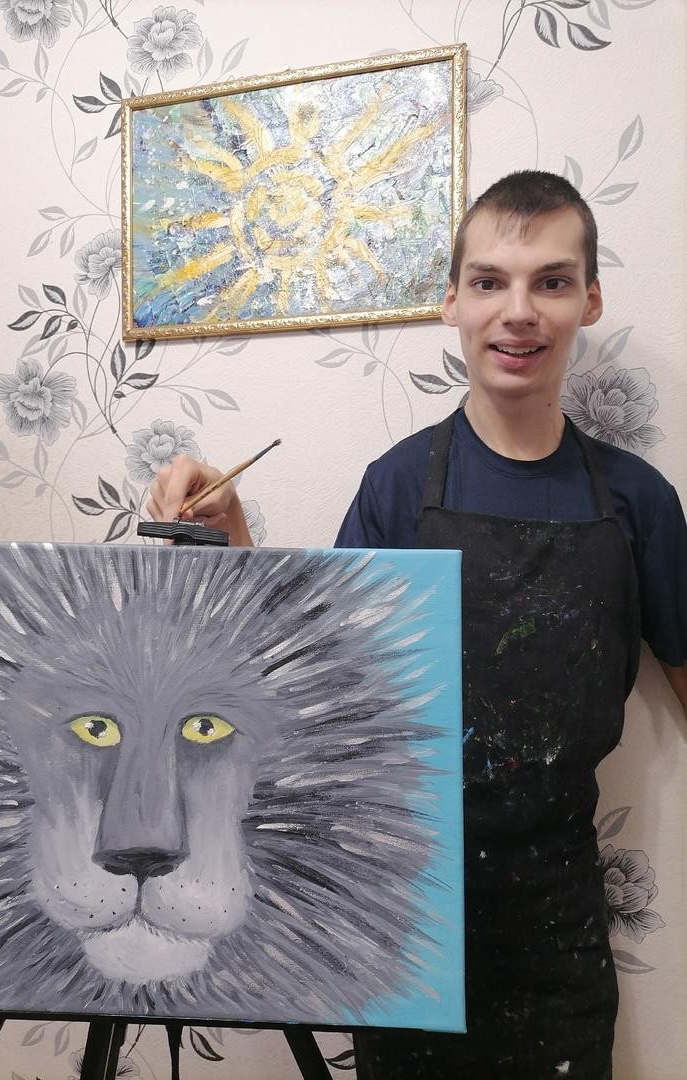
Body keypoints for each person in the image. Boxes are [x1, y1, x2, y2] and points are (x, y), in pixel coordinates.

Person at [147, 171, 687, 1078]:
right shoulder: (396, 487)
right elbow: (302, 690)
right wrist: (229, 528)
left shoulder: (639, 501)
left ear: (589, 301)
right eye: (489, 281)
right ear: (451, 302)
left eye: (552, 282)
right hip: (402, 912)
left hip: (557, 923)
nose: (519, 311)